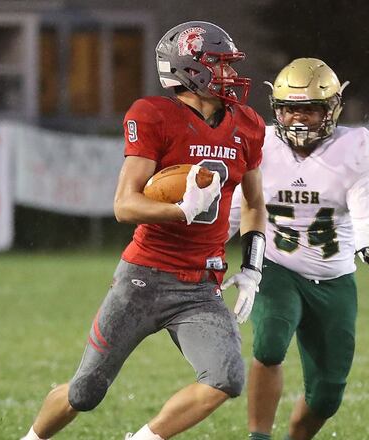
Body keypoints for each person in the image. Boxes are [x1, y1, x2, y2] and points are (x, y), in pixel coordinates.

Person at [20, 21, 267, 440]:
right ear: (191, 69)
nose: (228, 74)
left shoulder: (247, 124)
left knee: (226, 378)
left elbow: (256, 204)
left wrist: (254, 267)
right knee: (85, 392)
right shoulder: (154, 115)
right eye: (218, 64)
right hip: (144, 278)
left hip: (201, 285)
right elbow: (125, 204)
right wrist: (180, 212)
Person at [229, 58, 369, 440]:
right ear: (276, 110)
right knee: (269, 344)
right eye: (290, 109)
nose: (299, 119)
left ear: (332, 108)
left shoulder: (353, 147)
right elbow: (239, 208)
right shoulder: (261, 143)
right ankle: (259, 436)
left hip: (334, 276)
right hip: (277, 264)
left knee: (328, 394)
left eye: (311, 109)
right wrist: (204, 245)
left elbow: (367, 203)